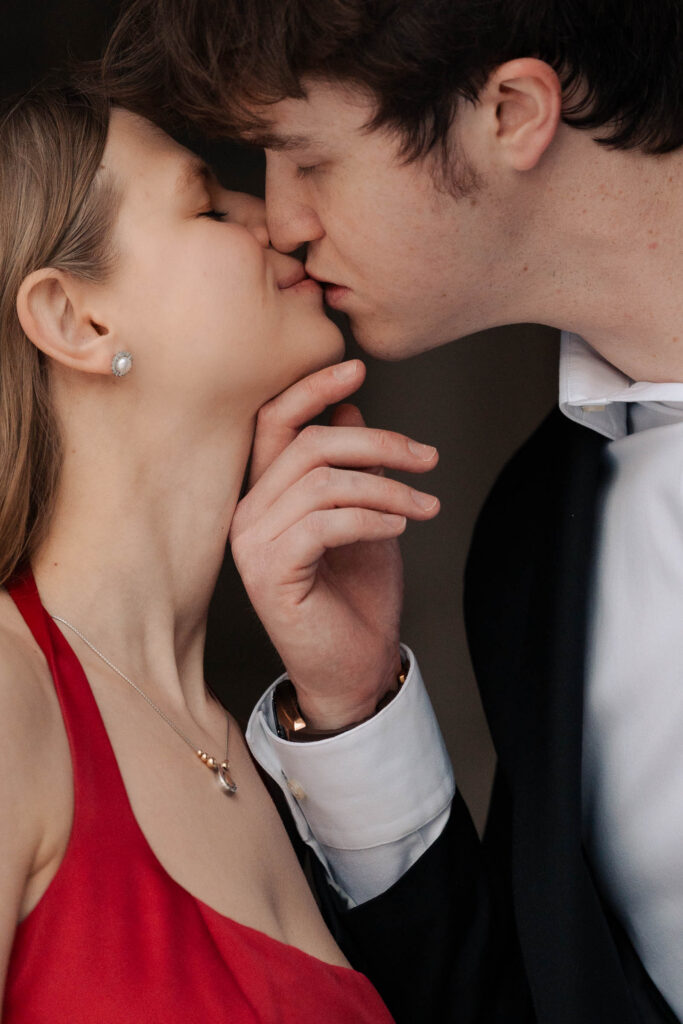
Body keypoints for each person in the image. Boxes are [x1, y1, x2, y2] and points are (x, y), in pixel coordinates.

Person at [99, 1, 683, 1022]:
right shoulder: (533, 537)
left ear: (509, 112)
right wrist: (355, 708)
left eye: (304, 157)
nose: (279, 222)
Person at [0, 81, 446, 1021]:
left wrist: (351, 702)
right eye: (208, 204)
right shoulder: (8, 692)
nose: (279, 225)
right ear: (77, 321)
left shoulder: (263, 764)